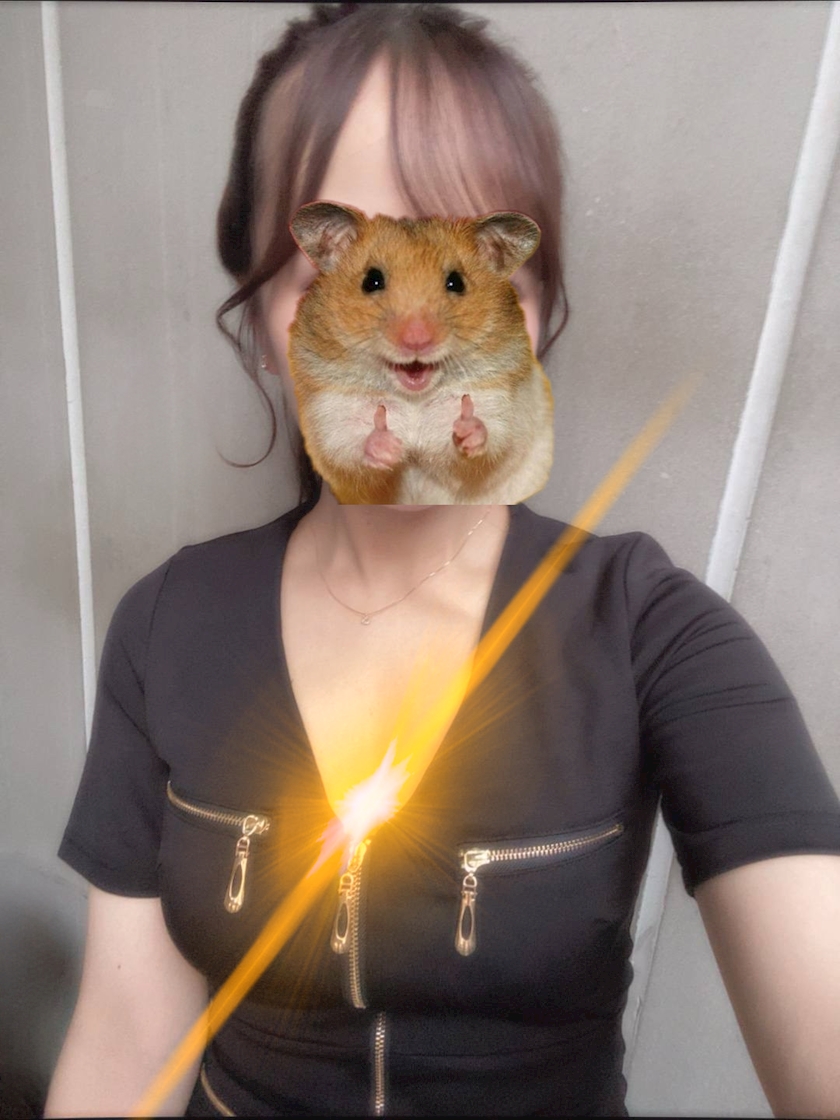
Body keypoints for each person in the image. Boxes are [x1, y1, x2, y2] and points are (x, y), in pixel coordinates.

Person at [45, 4, 840, 1117]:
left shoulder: (652, 633)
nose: (413, 341)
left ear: (536, 313)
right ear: (266, 312)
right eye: (351, 271)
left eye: (465, 274)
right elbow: (128, 1036)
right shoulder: (164, 625)